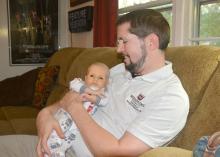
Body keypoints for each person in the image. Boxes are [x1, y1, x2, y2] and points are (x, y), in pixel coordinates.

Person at [0, 9, 189, 157]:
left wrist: (74, 108)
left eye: (124, 41)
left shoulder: (171, 98)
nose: (118, 49)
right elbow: (76, 97)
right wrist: (44, 115)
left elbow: (114, 152)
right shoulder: (119, 70)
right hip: (56, 142)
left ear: (152, 42)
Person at [46, 62, 109, 157]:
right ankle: (48, 150)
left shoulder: (103, 93)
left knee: (68, 140)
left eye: (100, 78)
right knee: (56, 133)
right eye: (92, 75)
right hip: (65, 116)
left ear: (106, 82)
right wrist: (89, 91)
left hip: (77, 125)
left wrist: (93, 97)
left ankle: (59, 152)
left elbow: (104, 101)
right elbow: (73, 84)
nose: (95, 80)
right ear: (86, 77)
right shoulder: (80, 84)